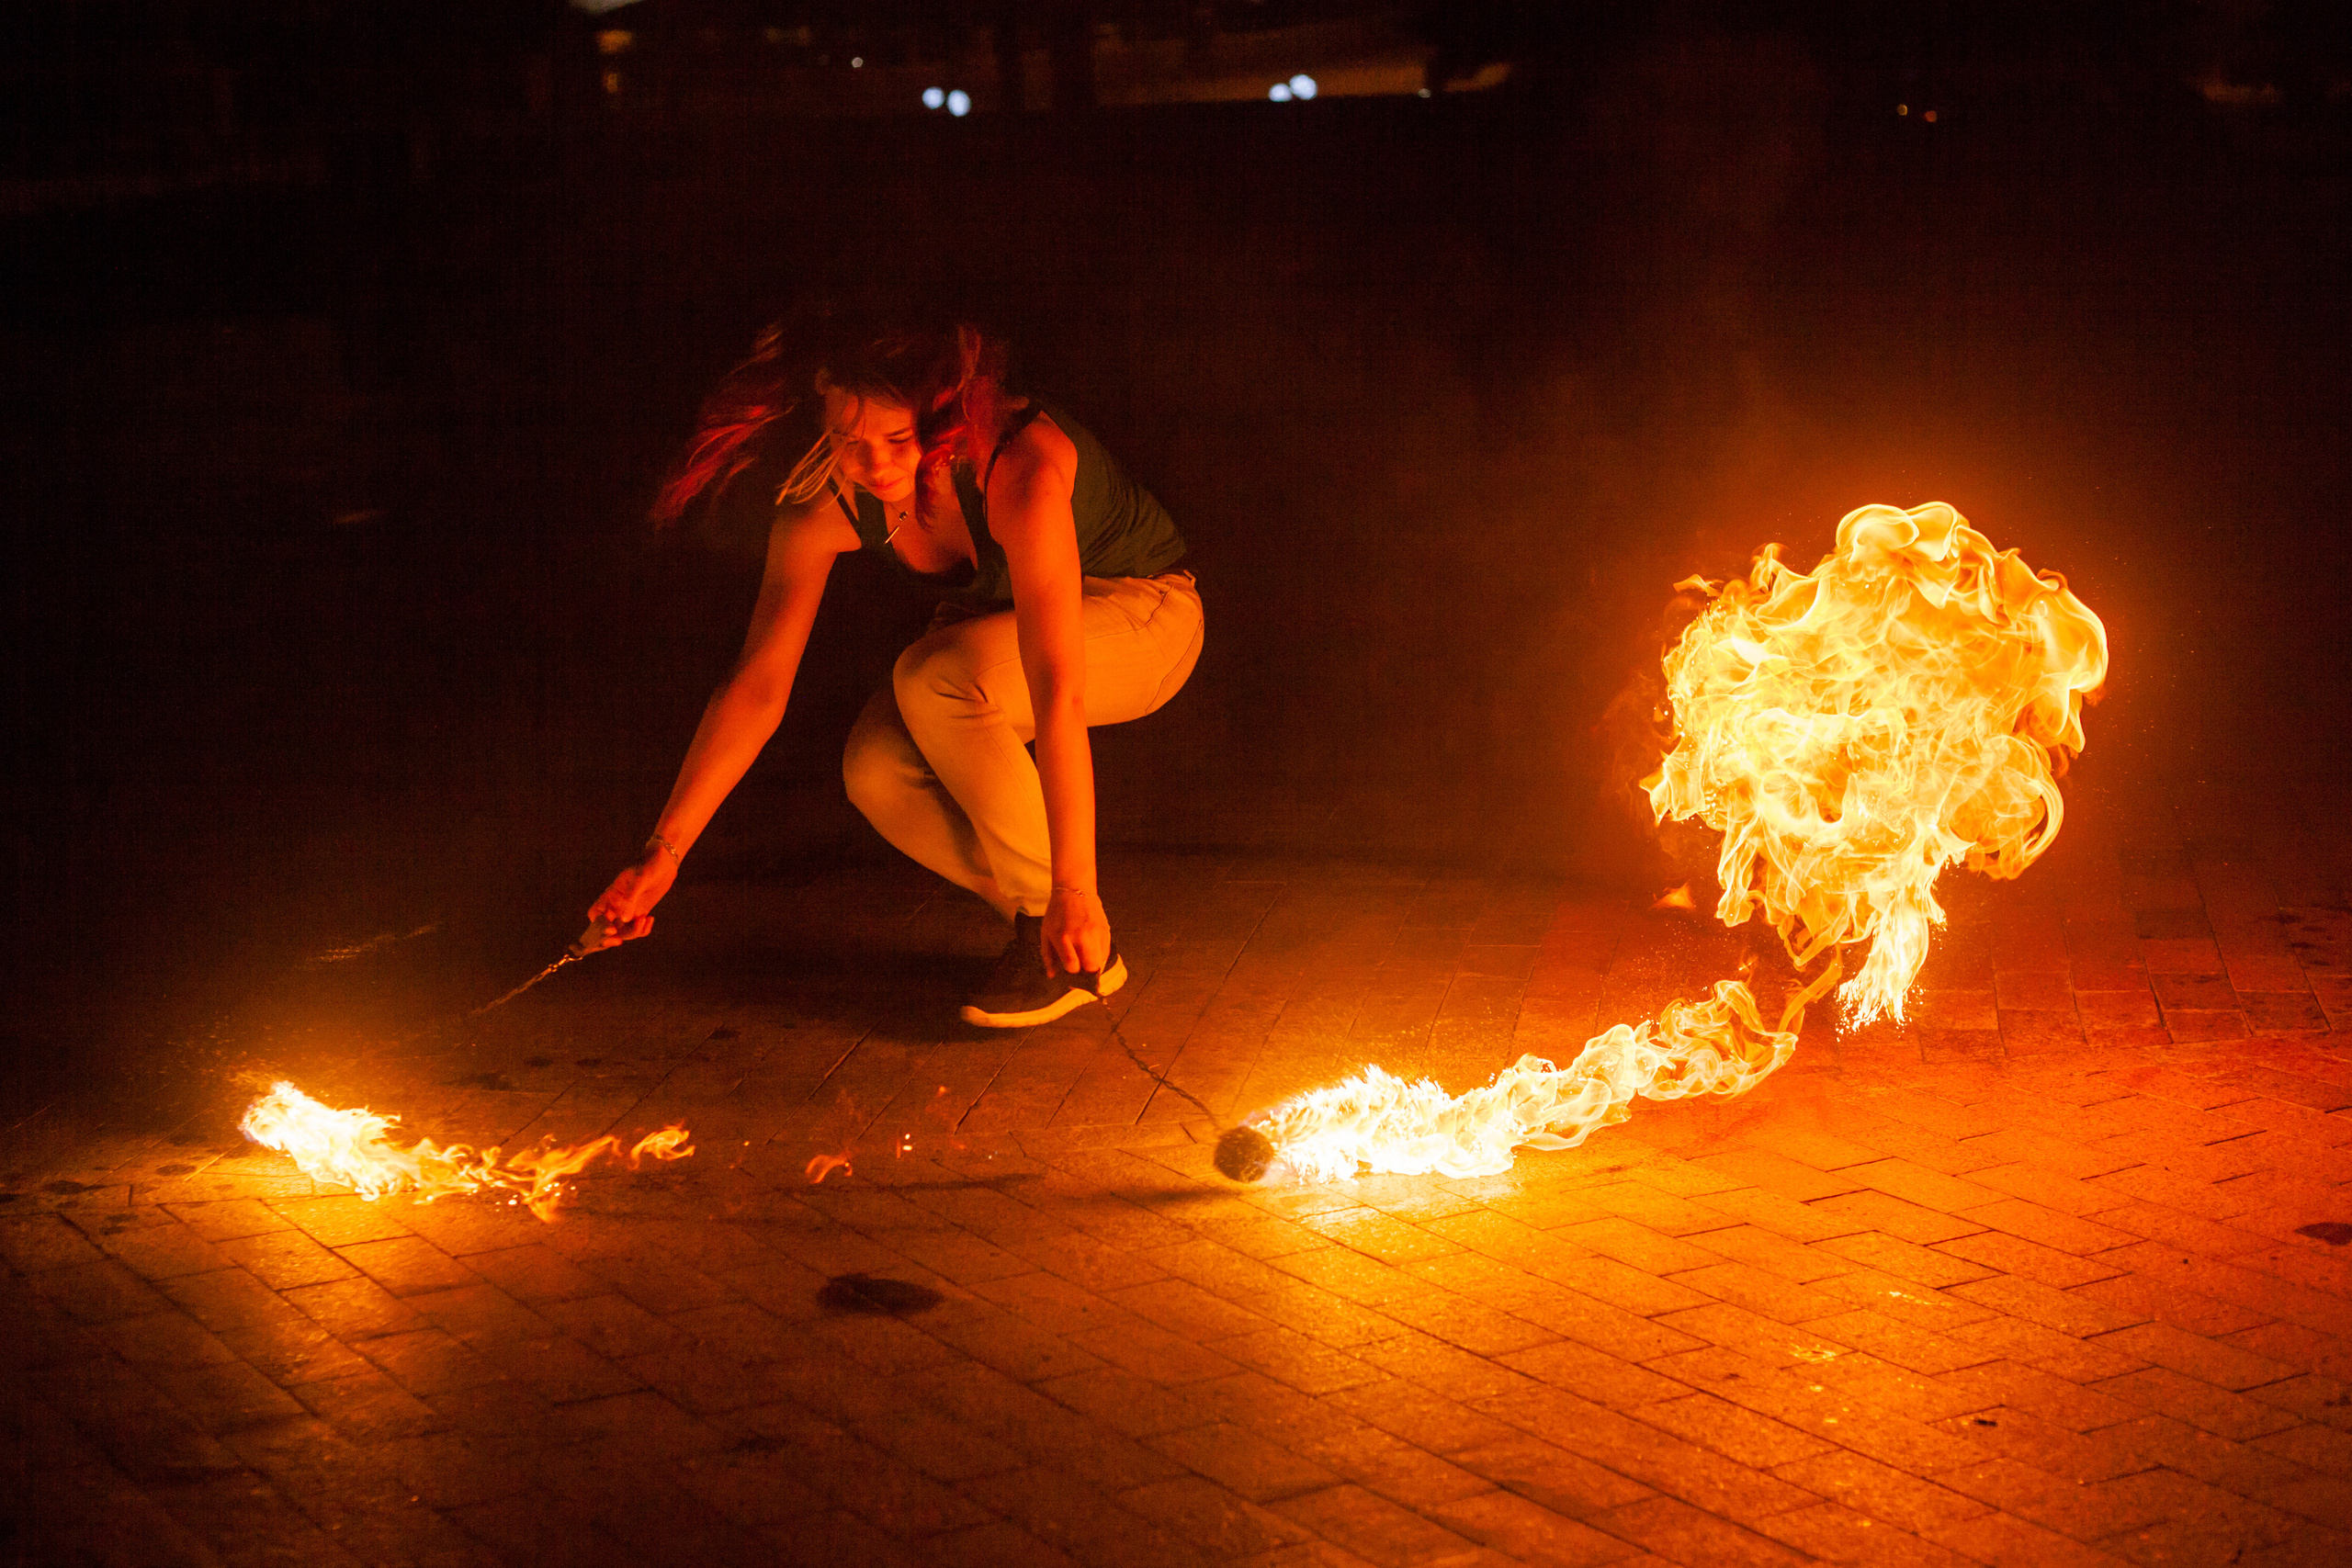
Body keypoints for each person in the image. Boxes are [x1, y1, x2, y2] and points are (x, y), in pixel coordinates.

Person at [585, 310, 1203, 1027]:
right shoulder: (823, 505)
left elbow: (1057, 688)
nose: (873, 465)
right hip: (987, 640)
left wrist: (1077, 884)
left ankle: (1061, 914)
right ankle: (1057, 940)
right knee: (875, 768)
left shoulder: (1017, 468)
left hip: (1144, 615)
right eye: (849, 442)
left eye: (897, 439)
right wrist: (662, 854)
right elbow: (757, 686)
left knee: (931, 679)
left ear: (938, 417)